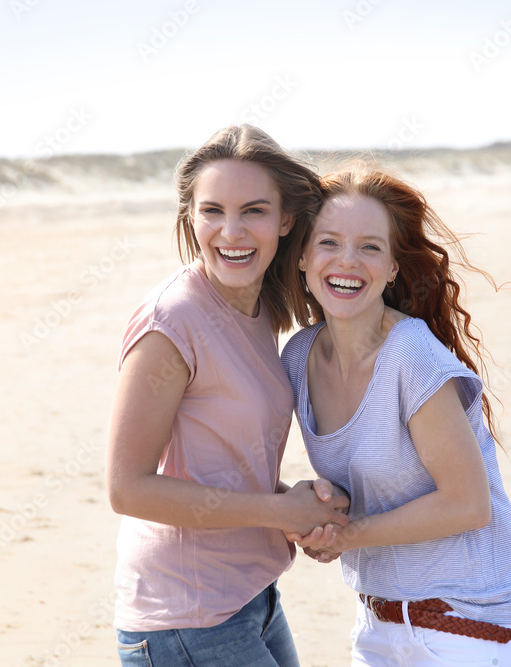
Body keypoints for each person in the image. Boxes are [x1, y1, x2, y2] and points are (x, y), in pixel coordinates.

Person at [105, 125, 349, 667]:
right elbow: (128, 489)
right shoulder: (171, 321)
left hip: (251, 597)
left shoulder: (260, 307)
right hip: (186, 619)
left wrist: (294, 511)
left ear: (286, 220)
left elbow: (218, 466)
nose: (231, 231)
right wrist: (277, 509)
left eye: (254, 211)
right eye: (212, 210)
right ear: (190, 217)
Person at [280, 168, 511, 666]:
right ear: (303, 258)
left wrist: (346, 534)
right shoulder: (299, 357)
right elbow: (368, 482)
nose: (347, 261)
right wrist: (322, 505)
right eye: (329, 242)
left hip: (471, 629)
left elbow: (467, 504)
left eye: (371, 247)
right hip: (378, 626)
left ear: (394, 267)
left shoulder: (411, 354)